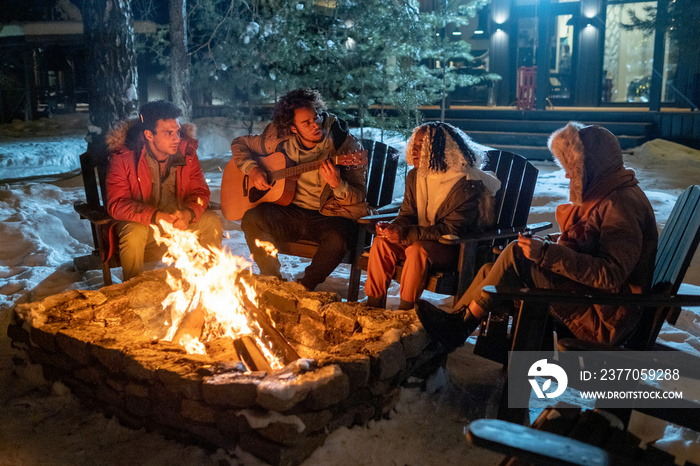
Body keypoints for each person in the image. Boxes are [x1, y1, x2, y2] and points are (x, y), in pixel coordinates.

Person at [416, 122, 658, 351]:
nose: (567, 177)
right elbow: (592, 245)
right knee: (490, 271)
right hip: (592, 301)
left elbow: (610, 275)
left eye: (573, 170)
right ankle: (452, 326)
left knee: (514, 255)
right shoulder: (609, 194)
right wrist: (549, 244)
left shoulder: (620, 205)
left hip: (603, 318)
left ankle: (458, 327)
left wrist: (546, 253)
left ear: (593, 167)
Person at [229, 88, 368, 290]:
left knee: (338, 239)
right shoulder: (277, 137)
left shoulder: (344, 145)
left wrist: (339, 185)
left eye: (317, 117)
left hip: (329, 215)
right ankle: (272, 281)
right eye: (306, 123)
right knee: (252, 218)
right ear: (292, 129)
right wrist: (252, 169)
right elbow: (239, 143)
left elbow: (360, 196)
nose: (315, 125)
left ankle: (304, 287)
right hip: (290, 211)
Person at [364, 122, 501, 310]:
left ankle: (405, 311)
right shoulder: (416, 175)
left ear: (442, 149)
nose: (414, 150)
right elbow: (408, 213)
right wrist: (394, 227)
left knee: (417, 250)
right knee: (381, 243)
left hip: (454, 248)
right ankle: (373, 306)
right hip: (419, 239)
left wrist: (405, 234)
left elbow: (451, 230)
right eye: (415, 144)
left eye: (423, 145)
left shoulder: (465, 183)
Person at [106, 100, 223, 281]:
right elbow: (116, 204)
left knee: (211, 222)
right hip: (145, 224)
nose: (177, 138)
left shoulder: (186, 152)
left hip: (178, 222)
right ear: (149, 135)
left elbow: (200, 191)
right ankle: (133, 290)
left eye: (176, 131)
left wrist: (189, 213)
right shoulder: (124, 157)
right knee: (133, 233)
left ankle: (207, 284)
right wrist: (155, 216)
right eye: (169, 133)